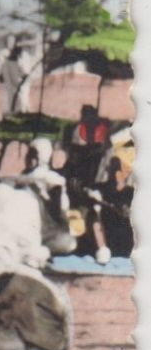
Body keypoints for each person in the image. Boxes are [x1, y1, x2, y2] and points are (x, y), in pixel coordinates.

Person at [64, 105, 113, 263]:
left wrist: (97, 190)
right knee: (85, 213)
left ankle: (101, 248)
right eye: (86, 118)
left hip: (96, 193)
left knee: (95, 210)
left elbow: (104, 173)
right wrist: (83, 188)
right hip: (76, 192)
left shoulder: (103, 146)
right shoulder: (76, 142)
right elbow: (71, 174)